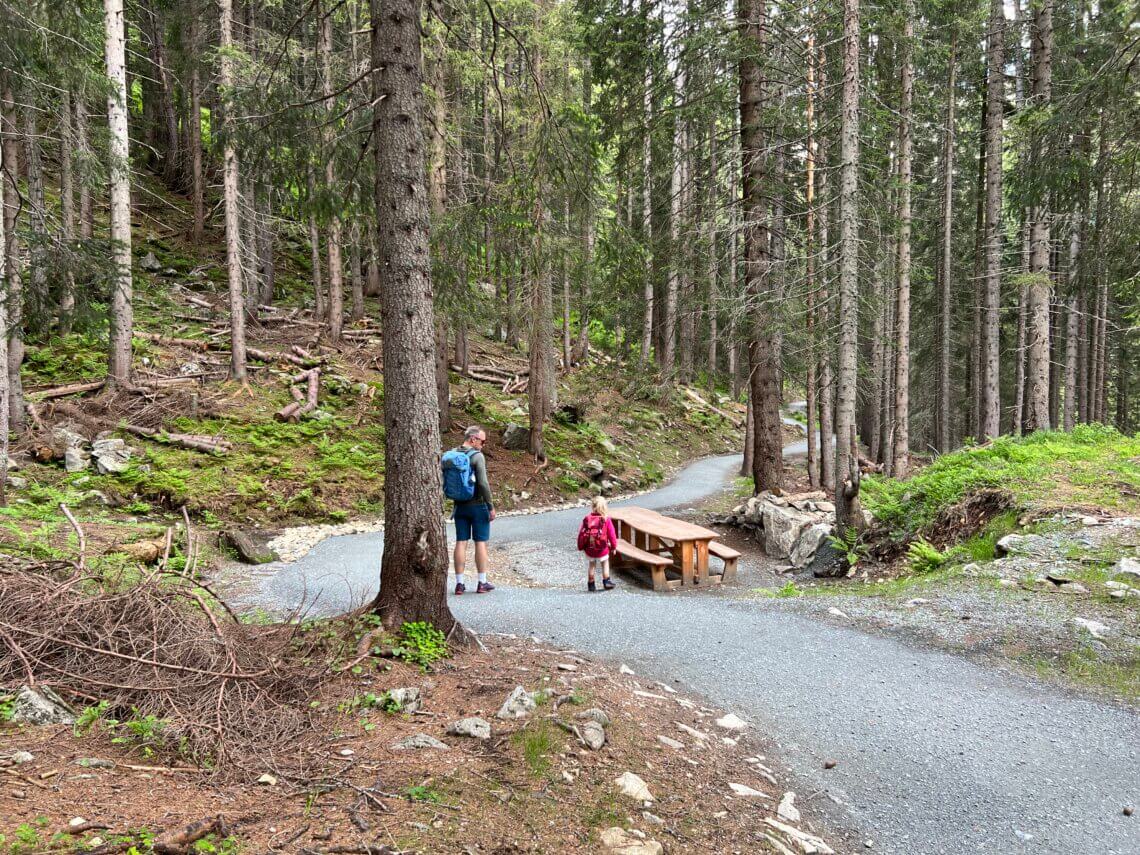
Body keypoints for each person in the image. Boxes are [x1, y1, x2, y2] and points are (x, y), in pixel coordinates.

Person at [448, 425, 495, 594]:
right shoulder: (477, 456)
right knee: (480, 543)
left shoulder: (452, 454)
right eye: (482, 441)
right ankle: (482, 582)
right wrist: (490, 506)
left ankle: (459, 584)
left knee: (461, 542)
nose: (483, 444)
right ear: (473, 439)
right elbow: (482, 483)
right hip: (478, 505)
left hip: (459, 506)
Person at [577, 495, 618, 592]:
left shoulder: (587, 518)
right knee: (605, 563)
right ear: (604, 507)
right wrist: (614, 547)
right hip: (602, 549)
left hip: (590, 549)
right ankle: (606, 581)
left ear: (592, 506)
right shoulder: (606, 519)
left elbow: (581, 532)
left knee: (592, 565)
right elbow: (612, 535)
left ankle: (591, 584)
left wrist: (582, 545)